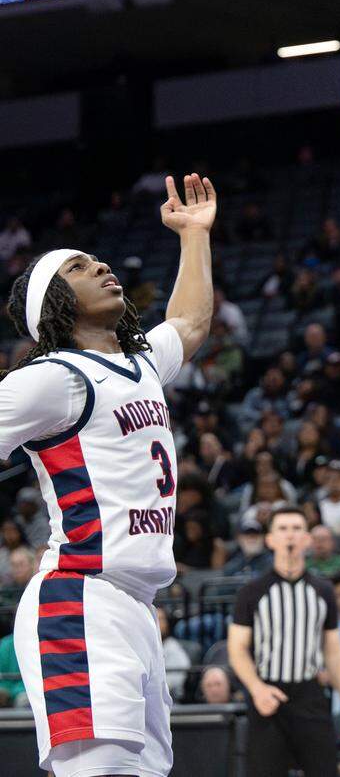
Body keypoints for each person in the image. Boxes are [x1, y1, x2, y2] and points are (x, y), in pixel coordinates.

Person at [0, 173, 216, 777]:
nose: (99, 266)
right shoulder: (51, 378)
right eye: (77, 267)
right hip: (79, 598)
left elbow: (193, 323)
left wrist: (194, 236)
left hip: (136, 607)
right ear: (56, 305)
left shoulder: (138, 364)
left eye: (96, 259)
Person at [228, 507, 340, 777]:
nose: (290, 535)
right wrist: (257, 689)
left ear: (307, 539)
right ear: (270, 539)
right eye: (283, 529)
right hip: (268, 695)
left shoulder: (323, 591)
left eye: (297, 528)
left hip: (310, 695)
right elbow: (237, 648)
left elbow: (334, 651)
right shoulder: (251, 592)